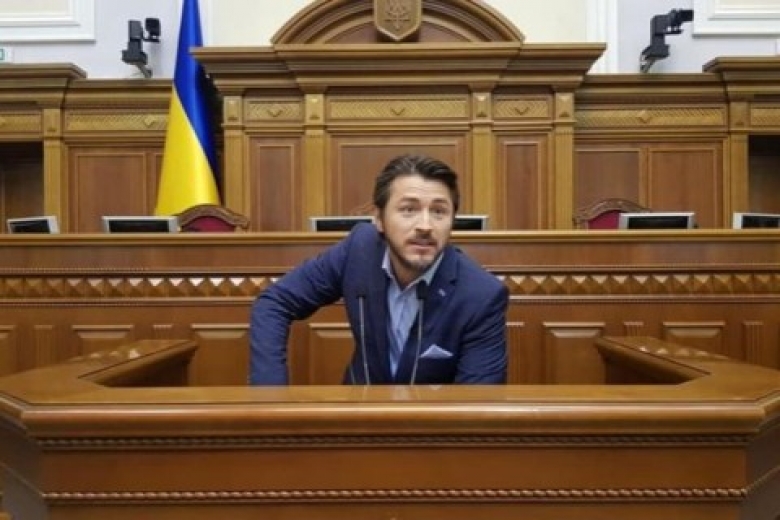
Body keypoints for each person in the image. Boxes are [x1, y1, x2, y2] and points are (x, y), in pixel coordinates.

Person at [249, 154, 508, 385]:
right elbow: (275, 302)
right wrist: (269, 397)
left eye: (439, 212)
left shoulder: (482, 295)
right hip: (359, 411)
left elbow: (477, 404)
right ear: (379, 219)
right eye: (408, 210)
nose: (425, 225)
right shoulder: (359, 250)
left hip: (434, 421)